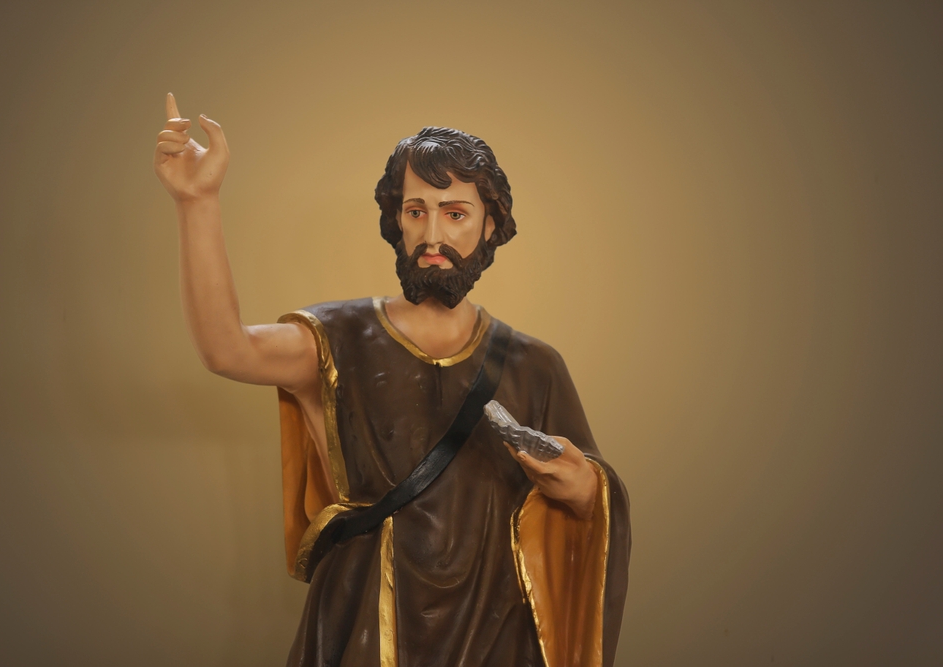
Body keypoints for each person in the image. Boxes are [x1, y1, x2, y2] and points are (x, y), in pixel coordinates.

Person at [154, 93, 630, 667]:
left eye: (455, 213)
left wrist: (582, 487)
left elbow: (592, 502)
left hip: (492, 627)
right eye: (416, 211)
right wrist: (197, 202)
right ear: (396, 219)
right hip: (364, 618)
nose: (433, 235)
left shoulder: (535, 366)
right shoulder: (338, 338)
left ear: (490, 224)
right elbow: (226, 348)